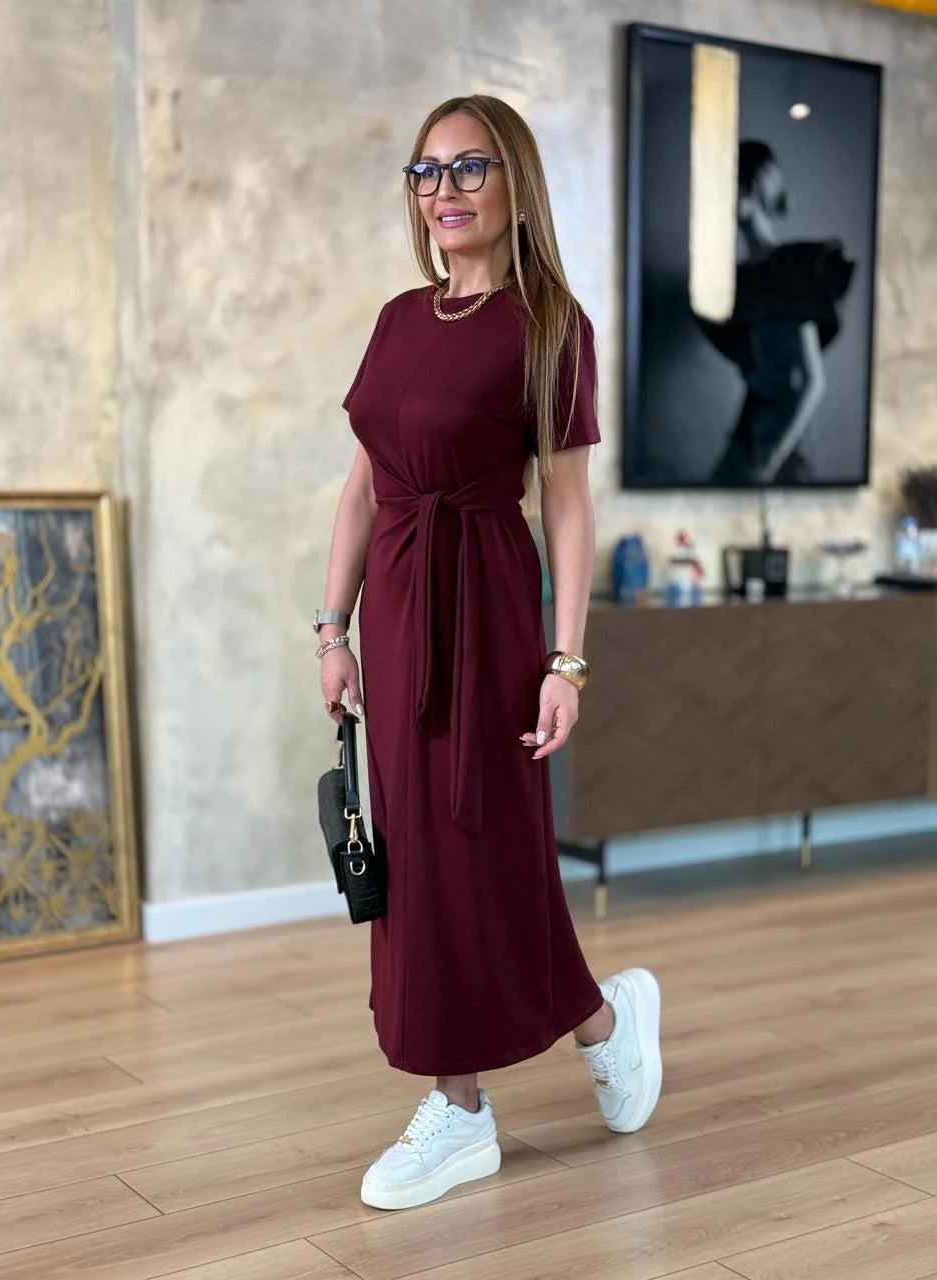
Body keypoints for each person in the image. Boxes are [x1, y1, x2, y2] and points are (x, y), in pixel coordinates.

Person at [316, 94, 661, 1212]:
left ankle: (463, 1109)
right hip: (397, 608)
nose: (445, 191)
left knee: (479, 847)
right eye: (426, 171)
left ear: (516, 182)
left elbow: (567, 504)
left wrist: (567, 662)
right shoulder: (396, 318)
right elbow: (363, 486)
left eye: (470, 167)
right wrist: (331, 629)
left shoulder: (552, 323)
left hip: (488, 606)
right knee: (423, 854)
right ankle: (593, 1030)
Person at [702, 139, 855, 486]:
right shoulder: (737, 283)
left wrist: (771, 461)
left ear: (750, 188)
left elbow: (813, 383)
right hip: (745, 433)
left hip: (781, 443)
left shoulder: (793, 269)